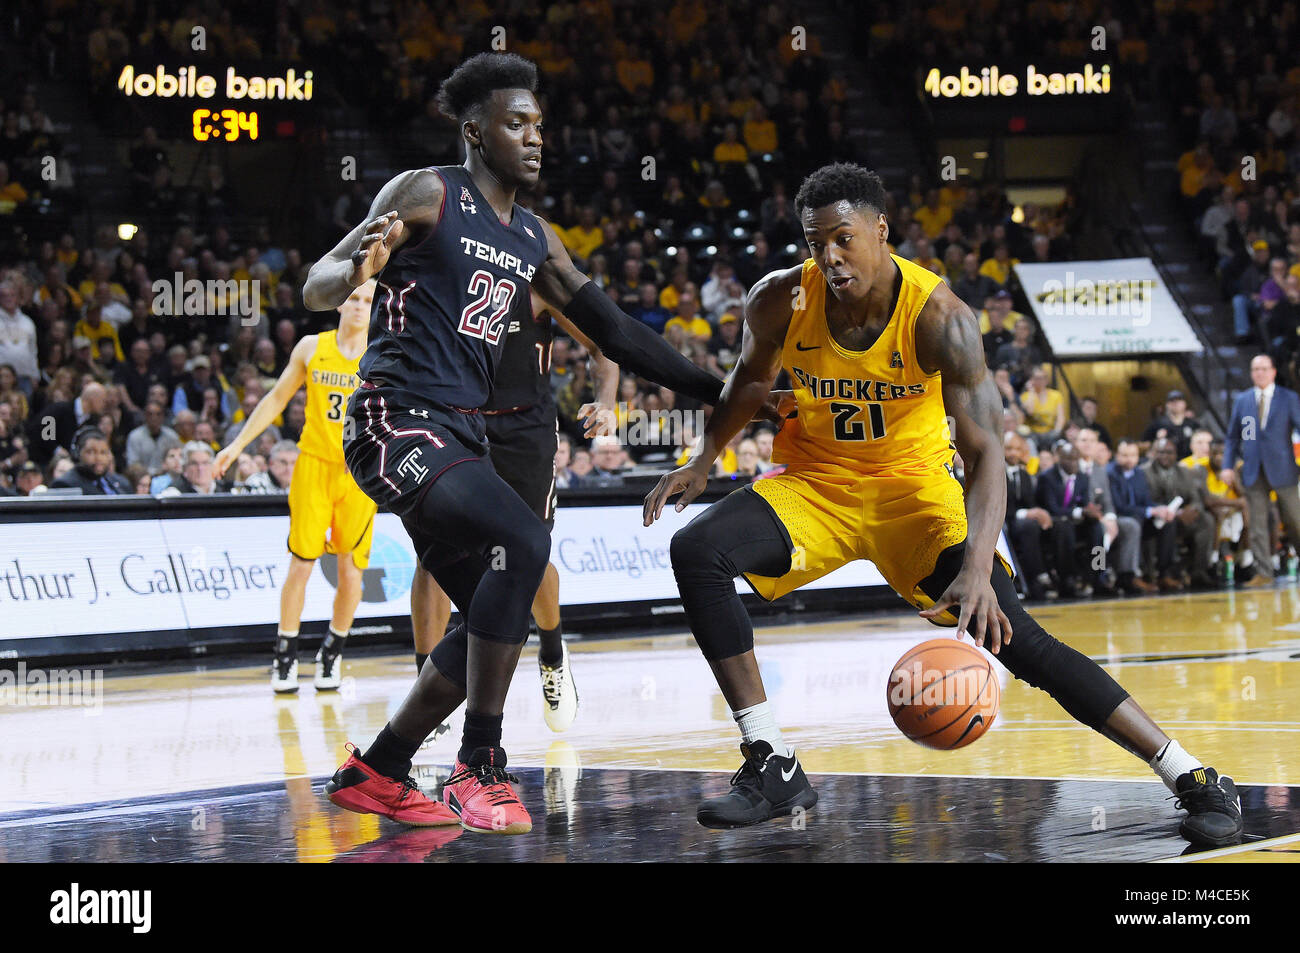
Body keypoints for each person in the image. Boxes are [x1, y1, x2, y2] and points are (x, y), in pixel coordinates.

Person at [643, 163, 1241, 847]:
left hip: (916, 497)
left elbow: (987, 455)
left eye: (843, 239)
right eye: (815, 244)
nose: (830, 258)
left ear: (881, 231)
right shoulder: (779, 299)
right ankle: (771, 761)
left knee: (1021, 643)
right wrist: (703, 457)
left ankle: (1189, 772)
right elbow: (748, 381)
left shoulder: (943, 318)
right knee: (696, 549)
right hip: (817, 484)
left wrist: (980, 565)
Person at [310, 54, 742, 836]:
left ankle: (377, 768)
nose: (536, 138)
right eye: (517, 123)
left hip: (456, 433)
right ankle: (480, 763)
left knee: (486, 616)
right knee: (524, 539)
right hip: (393, 418)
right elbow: (314, 282)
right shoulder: (427, 191)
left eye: (540, 125)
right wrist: (353, 270)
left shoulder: (534, 238)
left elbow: (615, 333)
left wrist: (724, 391)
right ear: (476, 130)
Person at [412, 275, 619, 734]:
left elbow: (603, 346)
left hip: (524, 433)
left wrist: (605, 401)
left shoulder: (537, 282)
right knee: (434, 556)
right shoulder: (445, 273)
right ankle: (424, 678)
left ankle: (552, 650)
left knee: (531, 551)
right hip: (456, 424)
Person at [214, 280, 378, 693]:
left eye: (368, 301)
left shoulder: (382, 351)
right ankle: (285, 653)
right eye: (354, 299)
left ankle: (332, 652)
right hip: (313, 466)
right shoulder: (310, 347)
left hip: (359, 472)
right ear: (340, 304)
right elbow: (275, 400)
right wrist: (236, 446)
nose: (359, 307)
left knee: (351, 568)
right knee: (301, 563)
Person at [1222, 353, 1300, 586]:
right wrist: (1227, 465)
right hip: (1253, 468)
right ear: (1251, 373)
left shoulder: (1289, 398)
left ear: (1273, 371)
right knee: (1256, 524)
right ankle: (1264, 573)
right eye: (1255, 369)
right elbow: (1233, 437)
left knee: (1294, 520)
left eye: (1264, 369)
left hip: (1283, 467)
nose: (1260, 373)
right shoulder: (1243, 400)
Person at [49, 426, 132, 494]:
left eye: (103, 452)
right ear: (78, 454)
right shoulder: (65, 484)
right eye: (91, 452)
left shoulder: (122, 483)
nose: (99, 458)